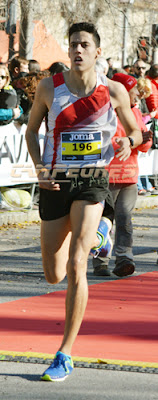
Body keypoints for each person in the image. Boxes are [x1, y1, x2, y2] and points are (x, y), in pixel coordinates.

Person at [25, 22, 142, 382]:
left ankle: (64, 353)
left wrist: (129, 141)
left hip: (93, 181)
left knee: (78, 262)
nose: (78, 50)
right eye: (73, 44)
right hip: (56, 183)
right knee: (53, 274)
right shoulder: (49, 88)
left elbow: (136, 130)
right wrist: (40, 168)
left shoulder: (115, 90)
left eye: (84, 45)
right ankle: (100, 236)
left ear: (96, 52)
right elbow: (31, 130)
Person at [93, 73, 152, 277]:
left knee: (124, 219)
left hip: (129, 177)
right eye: (135, 90)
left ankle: (124, 258)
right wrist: (121, 141)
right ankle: (100, 261)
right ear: (124, 91)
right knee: (103, 221)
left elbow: (143, 143)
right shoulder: (104, 111)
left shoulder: (135, 112)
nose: (139, 95)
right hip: (106, 177)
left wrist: (144, 140)